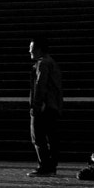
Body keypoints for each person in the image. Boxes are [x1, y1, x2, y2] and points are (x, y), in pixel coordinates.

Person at [28, 40, 64, 177]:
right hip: (53, 106)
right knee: (52, 138)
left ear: (39, 50)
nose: (29, 51)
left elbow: (40, 85)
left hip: (43, 107)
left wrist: (36, 105)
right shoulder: (52, 62)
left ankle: (44, 166)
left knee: (38, 137)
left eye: (31, 48)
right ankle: (51, 167)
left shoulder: (42, 64)